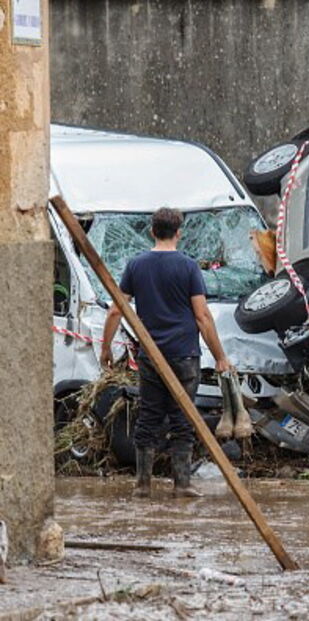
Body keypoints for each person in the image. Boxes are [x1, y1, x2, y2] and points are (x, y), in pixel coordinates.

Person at [101, 207, 232, 499]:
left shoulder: (136, 265)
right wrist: (221, 356)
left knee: (148, 416)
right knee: (182, 418)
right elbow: (202, 317)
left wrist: (106, 347)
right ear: (179, 233)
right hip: (185, 355)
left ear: (152, 231)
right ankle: (182, 484)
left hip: (151, 357)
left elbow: (115, 311)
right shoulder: (188, 266)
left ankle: (142, 485)